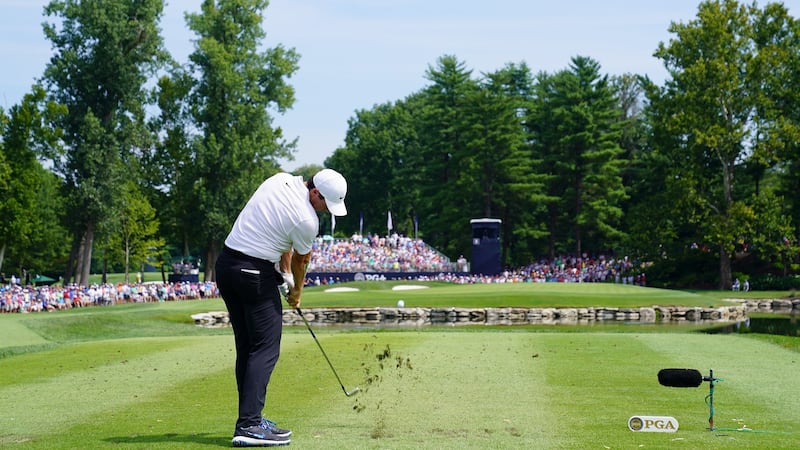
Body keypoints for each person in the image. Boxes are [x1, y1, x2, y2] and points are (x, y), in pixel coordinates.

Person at [215, 168, 348, 447]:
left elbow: (283, 239)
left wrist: (284, 274)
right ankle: (249, 425)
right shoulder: (307, 220)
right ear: (315, 192)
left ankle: (251, 418)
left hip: (227, 266)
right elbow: (302, 260)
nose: (327, 211)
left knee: (249, 347)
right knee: (266, 348)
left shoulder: (279, 179)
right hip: (253, 273)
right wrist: (297, 291)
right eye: (326, 204)